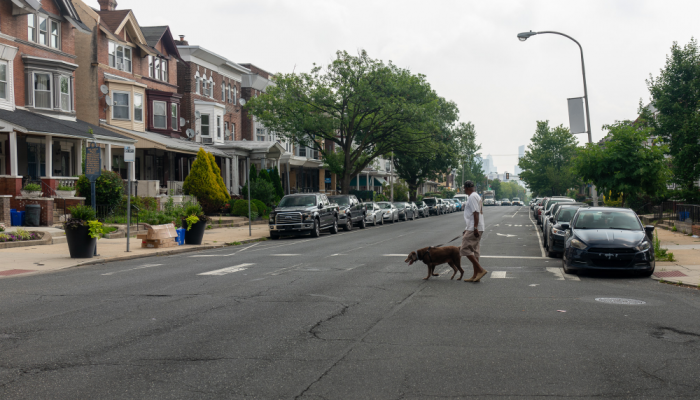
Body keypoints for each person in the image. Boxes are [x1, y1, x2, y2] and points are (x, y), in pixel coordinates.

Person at [460, 180, 487, 282]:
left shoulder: (471, 197)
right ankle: (476, 276)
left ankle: (480, 270)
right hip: (475, 226)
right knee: (475, 251)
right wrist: (468, 228)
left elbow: (476, 213)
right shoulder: (477, 196)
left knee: (464, 249)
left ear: (466, 188)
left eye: (465, 189)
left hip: (475, 227)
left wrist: (474, 227)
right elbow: (478, 212)